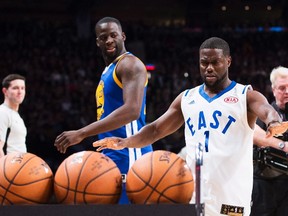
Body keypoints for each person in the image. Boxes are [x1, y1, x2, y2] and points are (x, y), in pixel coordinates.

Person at [93, 37, 288, 216]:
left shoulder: (245, 95)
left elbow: (266, 110)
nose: (209, 68)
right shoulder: (187, 98)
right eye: (204, 63)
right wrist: (126, 142)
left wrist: (274, 122)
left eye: (215, 62)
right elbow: (155, 130)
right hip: (195, 197)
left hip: (232, 199)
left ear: (228, 61)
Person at [54, 17, 153, 204]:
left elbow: (132, 110)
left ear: (123, 36)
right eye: (103, 37)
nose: (109, 40)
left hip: (130, 152)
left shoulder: (130, 64)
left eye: (114, 35)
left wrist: (82, 133)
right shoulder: (109, 69)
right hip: (112, 152)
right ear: (97, 42)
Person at [251, 66, 288, 216]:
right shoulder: (265, 113)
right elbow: (253, 133)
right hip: (264, 183)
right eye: (282, 88)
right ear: (273, 90)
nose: (287, 92)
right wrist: (282, 145)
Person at [0, 74, 27, 158]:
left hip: (19, 167)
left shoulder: (17, 116)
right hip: (8, 168)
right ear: (5, 91)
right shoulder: (2, 112)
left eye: (22, 88)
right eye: (15, 88)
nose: (20, 92)